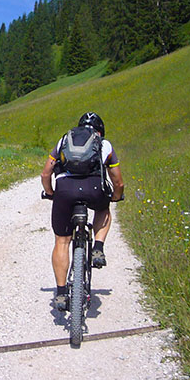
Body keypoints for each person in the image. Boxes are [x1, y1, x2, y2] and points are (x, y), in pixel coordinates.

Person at [40, 112, 124, 311]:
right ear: (100, 131)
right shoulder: (105, 145)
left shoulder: (64, 140)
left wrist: (51, 192)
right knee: (104, 210)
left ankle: (61, 293)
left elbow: (46, 173)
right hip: (94, 189)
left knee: (62, 241)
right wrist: (116, 196)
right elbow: (118, 181)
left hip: (64, 190)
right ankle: (98, 247)